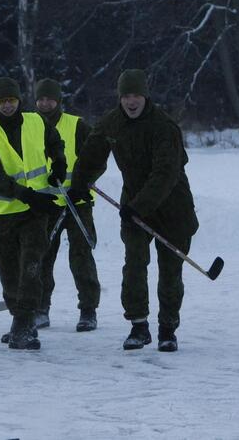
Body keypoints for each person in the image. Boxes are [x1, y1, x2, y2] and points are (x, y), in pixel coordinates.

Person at [70, 69, 199, 352]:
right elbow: (92, 154)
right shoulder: (112, 123)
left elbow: (165, 174)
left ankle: (167, 328)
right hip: (133, 205)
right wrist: (78, 183)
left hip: (172, 207)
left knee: (170, 271)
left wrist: (138, 207)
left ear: (145, 96)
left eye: (136, 95)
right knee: (134, 266)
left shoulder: (164, 127)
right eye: (126, 95)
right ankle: (138, 326)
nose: (131, 101)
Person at [0, 76, 66, 350]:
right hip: (5, 213)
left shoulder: (37, 121)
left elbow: (55, 141)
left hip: (36, 214)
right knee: (7, 266)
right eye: (2, 102)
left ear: (19, 100)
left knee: (32, 264)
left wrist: (59, 161)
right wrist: (26, 195)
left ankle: (25, 322)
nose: (7, 106)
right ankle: (19, 318)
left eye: (11, 100)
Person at [33, 78, 102, 332]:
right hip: (46, 203)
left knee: (81, 256)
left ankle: (88, 310)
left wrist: (82, 185)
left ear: (58, 100)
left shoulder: (77, 125)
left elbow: (97, 157)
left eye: (49, 99)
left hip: (77, 203)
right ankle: (40, 308)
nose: (45, 103)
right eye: (40, 99)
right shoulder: (29, 125)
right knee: (42, 256)